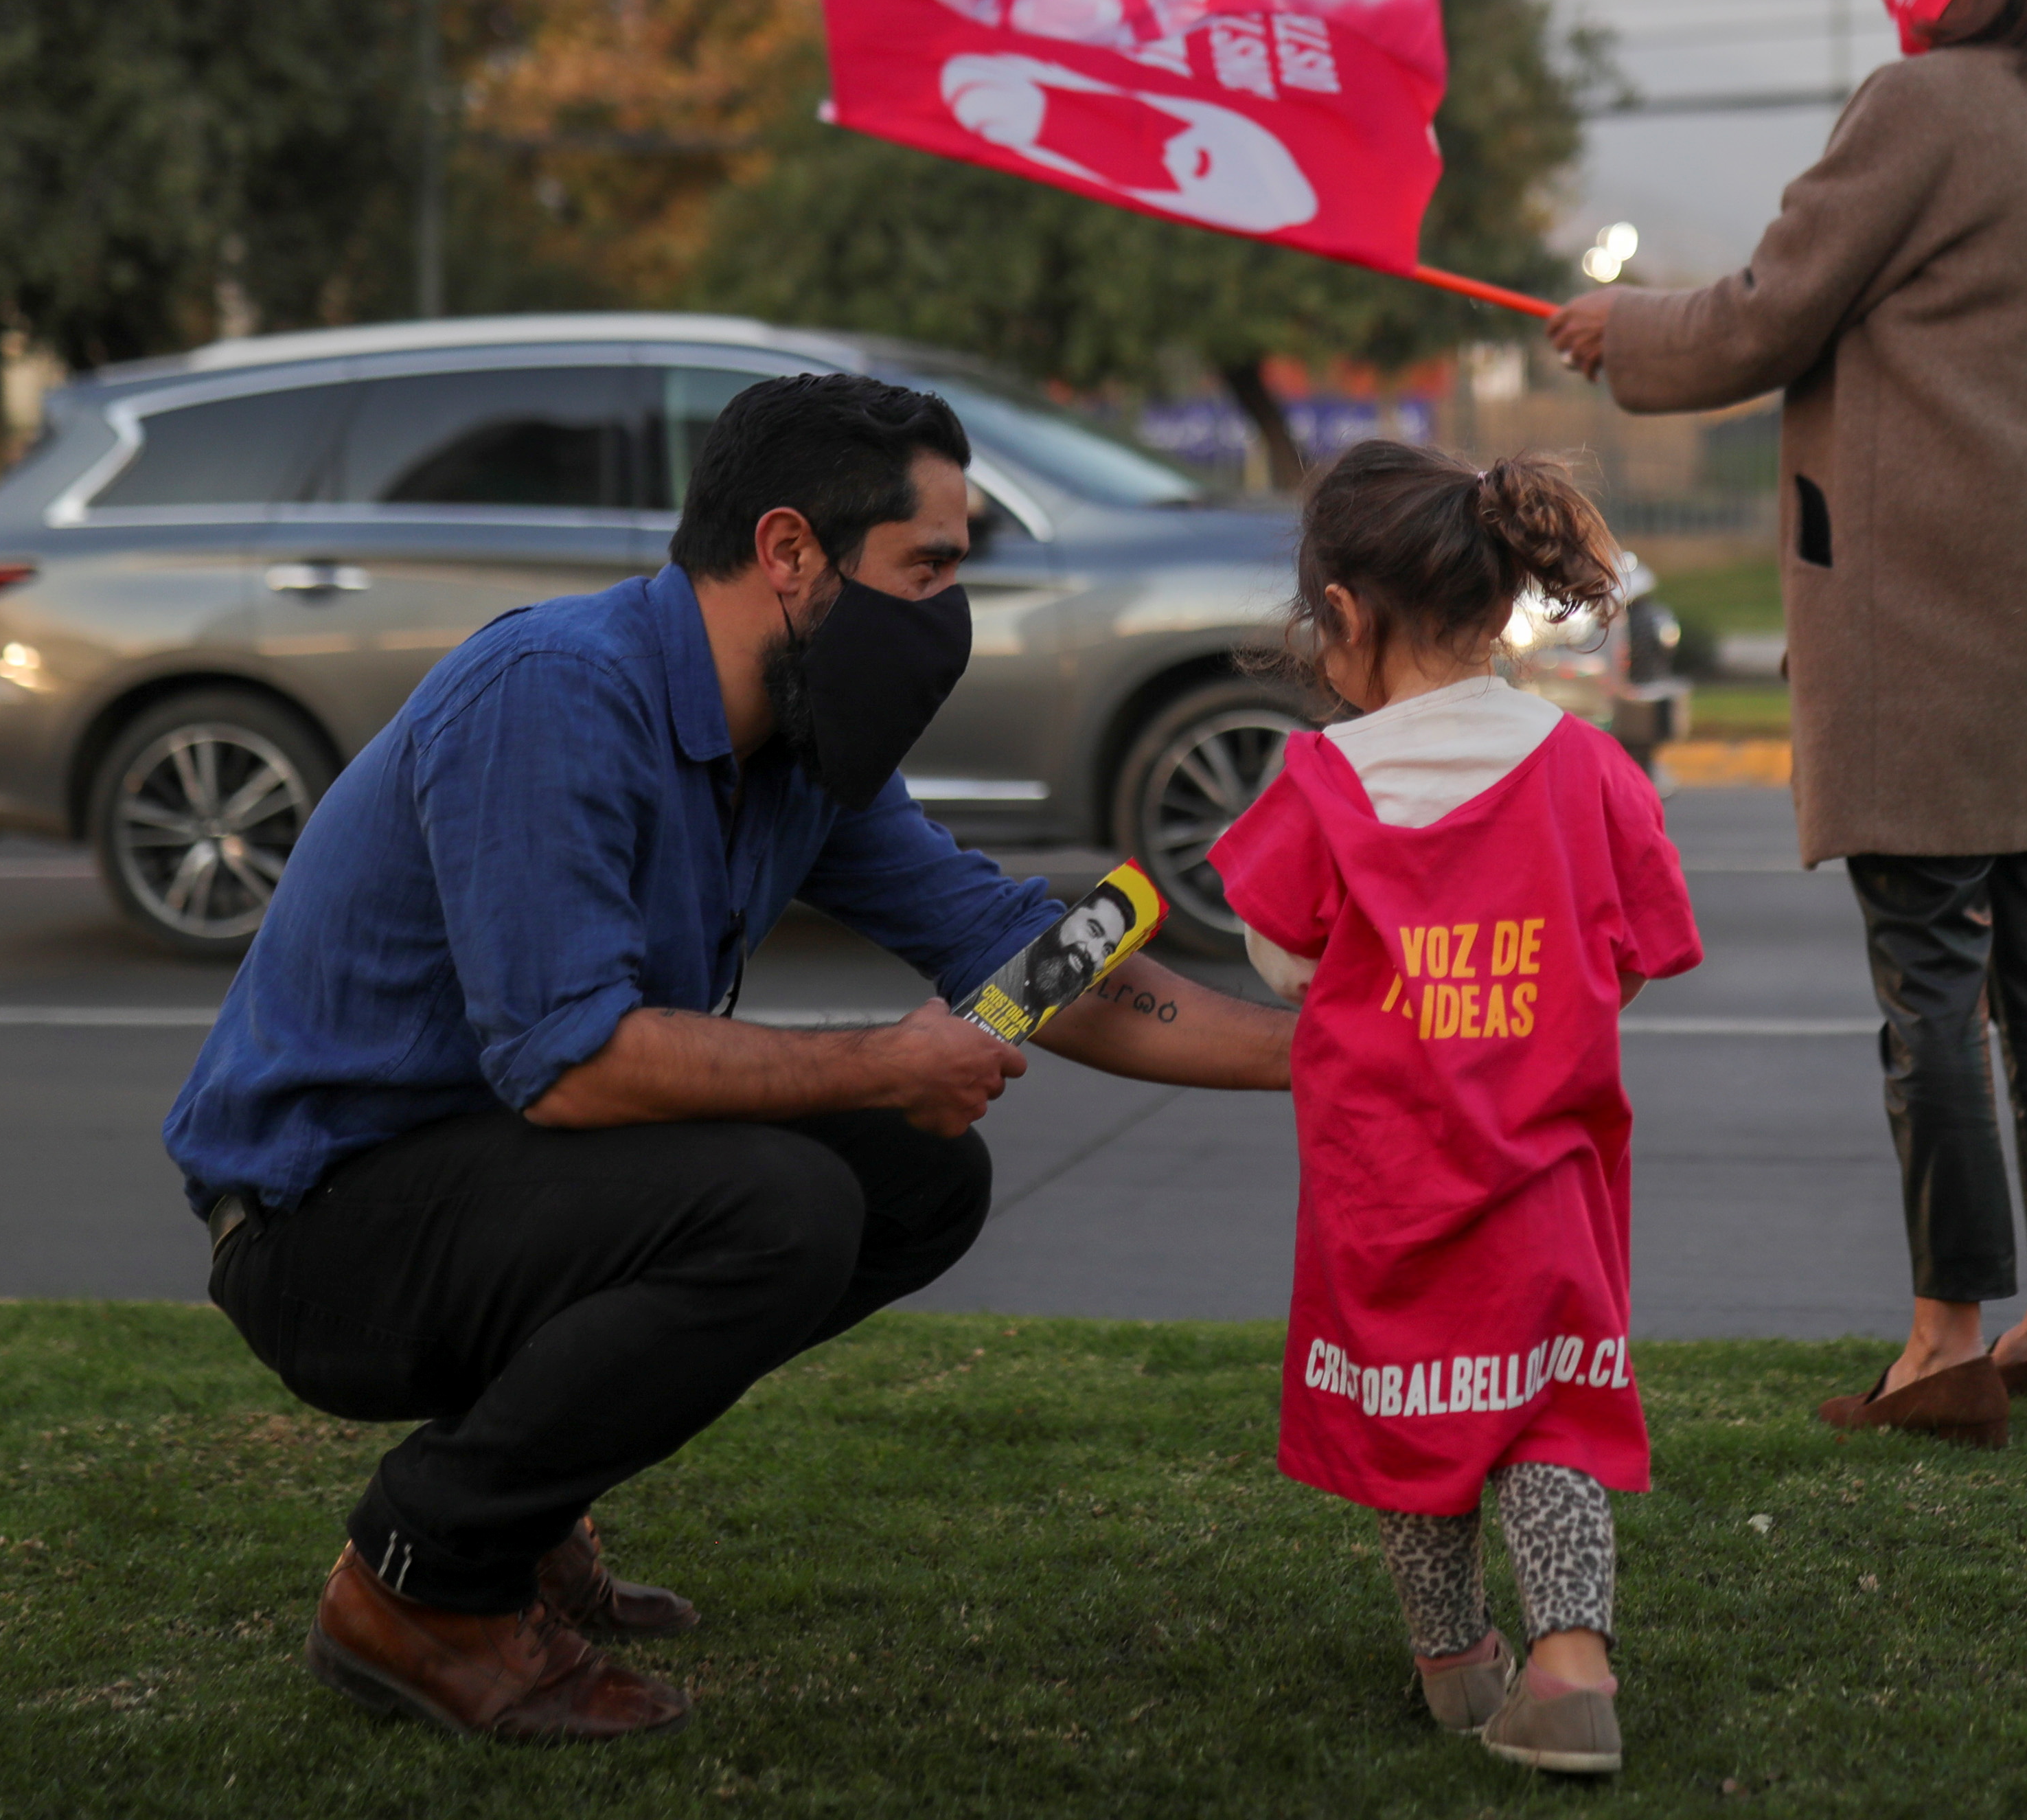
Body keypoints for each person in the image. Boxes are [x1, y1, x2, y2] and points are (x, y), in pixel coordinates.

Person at [161, 370, 1296, 1742]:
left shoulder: (803, 751)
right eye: (926, 567)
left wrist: (1328, 1050)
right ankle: (420, 1577)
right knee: (785, 1203)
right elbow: (569, 1066)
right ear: (786, 550)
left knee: (913, 1181)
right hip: (320, 1231)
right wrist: (884, 1059)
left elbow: (1024, 960)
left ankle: (519, 1504)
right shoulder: (556, 695)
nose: (948, 611)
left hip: (496, 1191)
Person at [1544, 0, 2027, 1451]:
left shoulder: (1924, 106)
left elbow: (1768, 307)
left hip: (1926, 625)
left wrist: (1622, 333)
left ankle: (1942, 1341)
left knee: (1927, 986)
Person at [1209, 443, 1702, 1777]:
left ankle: (1454, 1663)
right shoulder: (1592, 770)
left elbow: (1277, 957)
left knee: (1408, 1422)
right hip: (1544, 1186)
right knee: (1550, 1418)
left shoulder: (1325, 781)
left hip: (1387, 1192)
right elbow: (1635, 955)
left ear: (1345, 617)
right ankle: (1573, 1665)